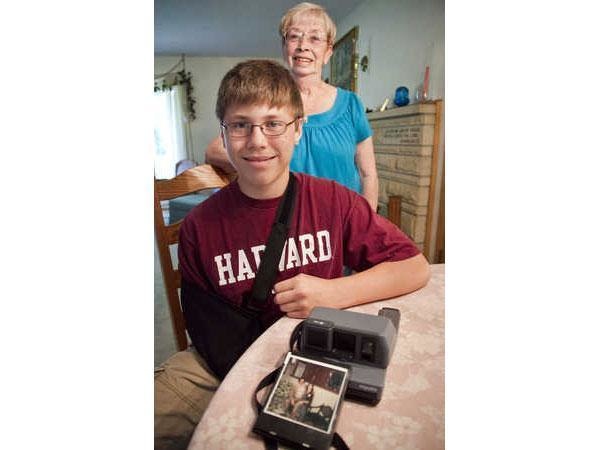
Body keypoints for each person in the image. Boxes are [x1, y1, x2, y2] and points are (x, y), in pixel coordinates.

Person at [154, 59, 430, 450]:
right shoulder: (200, 226)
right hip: (219, 364)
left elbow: (414, 267)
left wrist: (333, 294)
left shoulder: (334, 202)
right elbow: (206, 329)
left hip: (315, 352)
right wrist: (263, 382)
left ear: (298, 129)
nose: (257, 140)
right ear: (224, 133)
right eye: (240, 125)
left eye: (273, 123)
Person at [205, 2, 379, 211]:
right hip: (289, 225)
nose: (303, 45)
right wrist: (264, 157)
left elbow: (368, 175)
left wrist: (368, 224)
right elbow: (214, 152)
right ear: (284, 46)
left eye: (314, 38)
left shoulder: (351, 104)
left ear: (328, 52)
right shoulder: (269, 102)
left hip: (345, 220)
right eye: (294, 36)